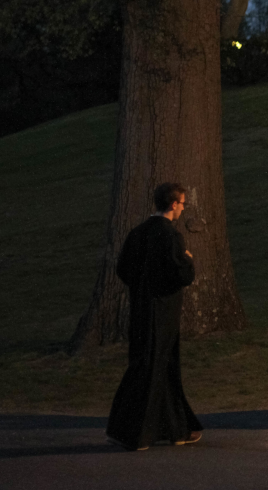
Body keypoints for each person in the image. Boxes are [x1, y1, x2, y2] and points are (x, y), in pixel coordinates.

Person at [106, 182, 201, 451]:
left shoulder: (137, 233)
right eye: (182, 204)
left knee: (153, 364)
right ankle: (135, 433)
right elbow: (183, 275)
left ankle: (175, 428)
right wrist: (188, 259)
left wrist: (142, 286)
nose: (183, 208)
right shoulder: (171, 236)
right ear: (173, 205)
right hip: (163, 310)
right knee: (156, 365)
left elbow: (124, 269)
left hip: (141, 308)